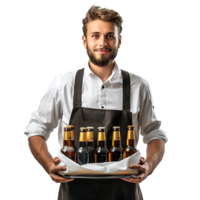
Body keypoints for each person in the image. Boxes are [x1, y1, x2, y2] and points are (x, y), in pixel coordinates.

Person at [22, 3, 169, 200]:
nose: (103, 43)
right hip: (72, 191)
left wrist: (149, 165)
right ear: (84, 41)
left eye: (110, 36)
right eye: (95, 35)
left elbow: (154, 133)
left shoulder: (139, 85)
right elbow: (36, 128)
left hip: (125, 192)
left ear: (120, 42)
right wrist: (47, 164)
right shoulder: (62, 83)